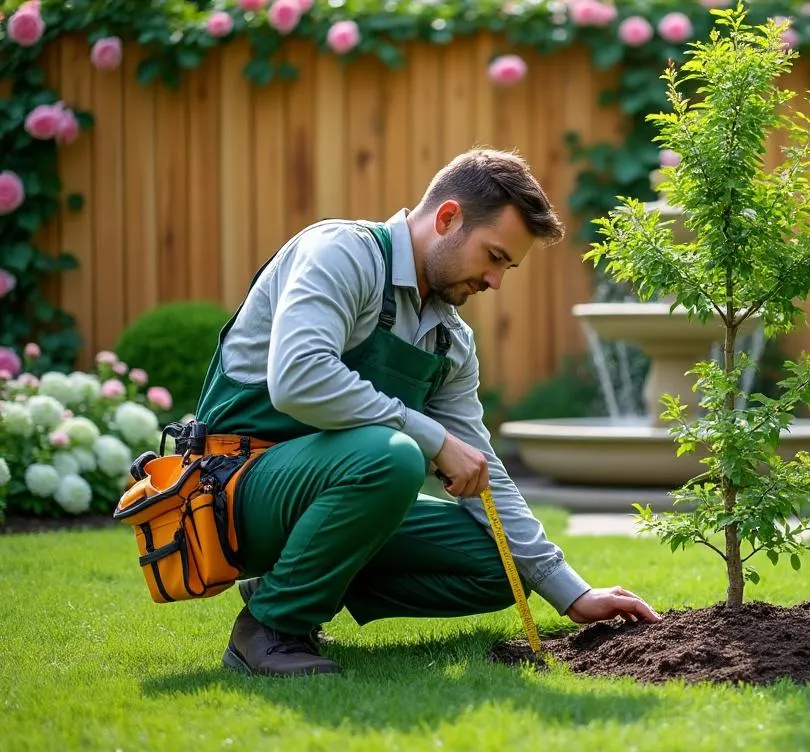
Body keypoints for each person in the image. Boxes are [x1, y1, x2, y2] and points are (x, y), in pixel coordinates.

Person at [192, 147, 661, 677]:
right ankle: (271, 625)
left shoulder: (450, 339)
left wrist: (571, 593)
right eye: (494, 256)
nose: (496, 282)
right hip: (237, 491)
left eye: (508, 267)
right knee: (392, 456)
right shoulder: (340, 253)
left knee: (501, 564)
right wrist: (430, 438)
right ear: (447, 218)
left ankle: (293, 580)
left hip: (326, 497)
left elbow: (481, 468)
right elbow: (298, 377)